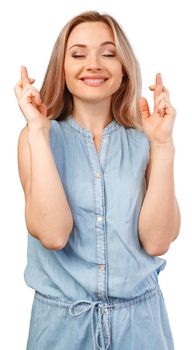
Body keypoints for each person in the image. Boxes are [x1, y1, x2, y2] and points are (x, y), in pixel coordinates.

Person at [15, 10, 180, 350]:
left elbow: (157, 242)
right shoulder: (37, 137)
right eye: (78, 54)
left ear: (124, 67)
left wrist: (162, 146)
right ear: (62, 67)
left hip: (141, 328)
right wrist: (38, 130)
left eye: (108, 53)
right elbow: (53, 233)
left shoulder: (145, 140)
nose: (94, 64)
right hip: (61, 330)